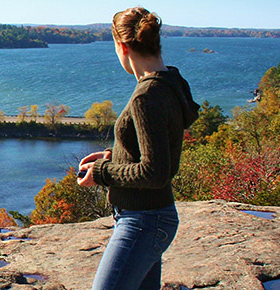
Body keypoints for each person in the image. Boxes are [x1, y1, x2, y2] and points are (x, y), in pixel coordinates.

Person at [77, 7, 200, 290]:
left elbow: (155, 173)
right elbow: (160, 151)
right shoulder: (171, 81)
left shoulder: (146, 96)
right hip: (150, 218)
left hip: (143, 221)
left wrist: (102, 172)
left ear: (122, 46)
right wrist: (114, 156)